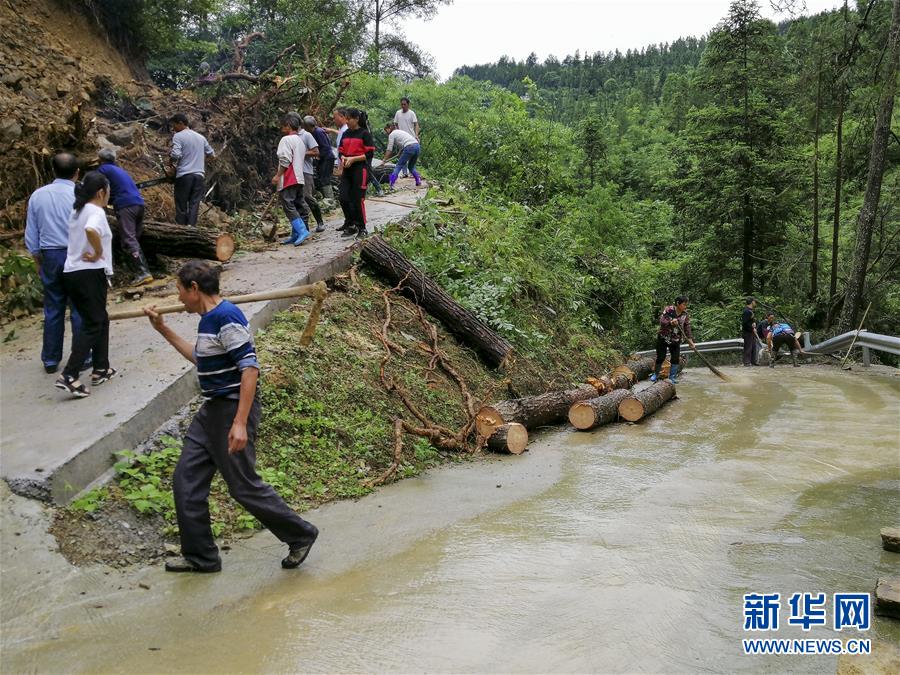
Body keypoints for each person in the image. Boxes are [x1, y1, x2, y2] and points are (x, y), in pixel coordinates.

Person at [143, 261, 319, 573]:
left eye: (180, 291)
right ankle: (202, 557)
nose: (179, 298)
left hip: (232, 410)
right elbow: (201, 359)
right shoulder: (208, 319)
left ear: (194, 289)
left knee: (243, 485)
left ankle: (301, 534)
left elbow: (249, 368)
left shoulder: (226, 317)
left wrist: (239, 422)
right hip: (211, 411)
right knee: (186, 479)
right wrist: (163, 329)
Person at [55, 171, 116, 398]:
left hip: (73, 273)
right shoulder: (95, 212)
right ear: (101, 192)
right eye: (108, 191)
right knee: (93, 323)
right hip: (88, 273)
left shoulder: (77, 210)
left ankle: (101, 367)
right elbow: (91, 230)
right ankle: (69, 376)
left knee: (101, 319)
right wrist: (98, 251)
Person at [25, 153, 85, 374]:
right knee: (78, 306)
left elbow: (31, 232)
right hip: (76, 253)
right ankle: (82, 355)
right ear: (77, 172)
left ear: (53, 171)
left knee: (53, 308)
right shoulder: (80, 194)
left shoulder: (38, 196)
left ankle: (50, 359)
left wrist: (37, 259)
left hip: (50, 255)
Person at [97, 148, 152, 286]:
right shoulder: (119, 170)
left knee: (128, 239)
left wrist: (101, 205)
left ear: (101, 159)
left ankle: (143, 272)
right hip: (138, 203)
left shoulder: (103, 169)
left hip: (125, 205)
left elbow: (103, 187)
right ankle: (142, 270)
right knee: (133, 238)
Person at [169, 113, 214, 226]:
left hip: (185, 175)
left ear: (180, 123)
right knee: (194, 204)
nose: (173, 128)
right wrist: (201, 161)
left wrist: (170, 160)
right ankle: (191, 228)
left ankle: (181, 229)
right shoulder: (200, 137)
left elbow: (176, 155)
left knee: (181, 204)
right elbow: (212, 154)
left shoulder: (178, 136)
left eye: (174, 125)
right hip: (199, 176)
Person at [273, 114, 311, 246]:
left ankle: (301, 231)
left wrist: (278, 175)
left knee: (288, 205)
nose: (281, 128)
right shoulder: (299, 140)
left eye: (283, 126)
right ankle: (295, 234)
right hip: (299, 178)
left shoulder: (286, 140)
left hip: (290, 177)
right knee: (298, 204)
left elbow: (285, 159)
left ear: (288, 125)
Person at [337, 108, 375, 240]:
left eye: (349, 119)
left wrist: (353, 159)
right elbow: (341, 150)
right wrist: (343, 158)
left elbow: (370, 153)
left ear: (356, 119)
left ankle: (362, 227)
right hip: (347, 169)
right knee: (343, 197)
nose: (346, 122)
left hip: (360, 169)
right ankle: (350, 224)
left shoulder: (364, 134)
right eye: (346, 119)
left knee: (357, 199)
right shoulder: (346, 133)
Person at [291, 113, 325, 233]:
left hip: (305, 171)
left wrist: (301, 153)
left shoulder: (306, 135)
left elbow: (316, 152)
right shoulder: (290, 136)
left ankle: (320, 221)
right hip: (293, 171)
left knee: (307, 197)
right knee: (296, 199)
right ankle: (302, 228)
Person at [650, 296, 695, 384]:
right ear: (678, 303)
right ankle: (655, 374)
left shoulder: (685, 314)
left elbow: (687, 327)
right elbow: (662, 322)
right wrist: (670, 323)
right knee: (661, 357)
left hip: (676, 339)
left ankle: (672, 377)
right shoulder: (668, 310)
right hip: (663, 337)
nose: (685, 306)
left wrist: (690, 341)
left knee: (675, 358)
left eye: (686, 305)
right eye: (684, 304)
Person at [303, 115, 335, 201]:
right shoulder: (315, 132)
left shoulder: (318, 132)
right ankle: (327, 199)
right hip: (324, 158)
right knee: (321, 178)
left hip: (327, 158)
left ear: (308, 126)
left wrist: (318, 157)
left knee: (325, 178)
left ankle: (330, 200)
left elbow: (325, 147)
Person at [383, 123, 422, 188]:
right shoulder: (399, 131)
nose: (386, 132)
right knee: (411, 167)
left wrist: (384, 160)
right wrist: (399, 152)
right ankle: (418, 181)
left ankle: (391, 184)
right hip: (417, 146)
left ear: (389, 128)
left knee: (398, 166)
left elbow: (389, 149)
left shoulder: (392, 134)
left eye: (386, 130)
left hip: (410, 147)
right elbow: (404, 142)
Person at [393, 98, 420, 178]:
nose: (403, 106)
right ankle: (405, 173)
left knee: (412, 157)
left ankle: (413, 172)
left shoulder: (411, 113)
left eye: (405, 104)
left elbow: (416, 124)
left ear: (408, 104)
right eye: (402, 104)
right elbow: (395, 123)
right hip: (402, 138)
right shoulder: (398, 113)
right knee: (402, 156)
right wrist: (398, 132)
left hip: (411, 138)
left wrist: (416, 135)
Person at [741, 296, 759, 367]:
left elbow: (750, 321)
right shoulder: (746, 311)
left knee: (753, 346)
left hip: (751, 332)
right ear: (752, 302)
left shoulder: (751, 310)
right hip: (747, 332)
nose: (755, 303)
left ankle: (753, 361)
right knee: (748, 347)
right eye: (754, 301)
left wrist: (754, 324)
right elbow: (744, 323)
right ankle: (747, 362)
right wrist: (751, 328)